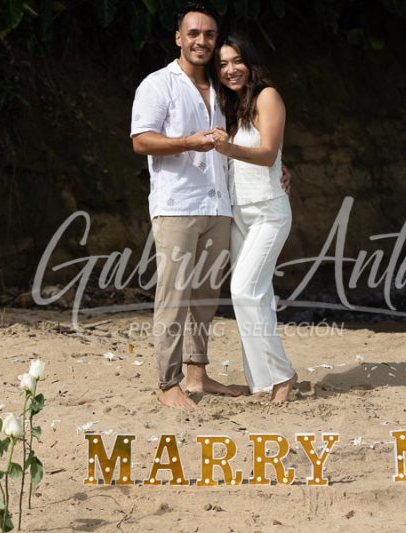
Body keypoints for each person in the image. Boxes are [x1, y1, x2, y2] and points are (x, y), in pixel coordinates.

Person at [130, 3, 241, 409]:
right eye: (193, 33)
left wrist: (278, 167)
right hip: (177, 205)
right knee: (174, 297)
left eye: (209, 34)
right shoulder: (158, 84)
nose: (201, 41)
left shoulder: (222, 88)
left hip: (218, 205)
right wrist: (187, 142)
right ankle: (168, 383)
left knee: (205, 298)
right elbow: (140, 140)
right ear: (179, 37)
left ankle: (197, 374)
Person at [210, 35, 298, 403]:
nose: (230, 69)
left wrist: (226, 147)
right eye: (223, 64)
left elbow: (267, 153)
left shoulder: (267, 96)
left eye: (237, 61)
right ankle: (262, 382)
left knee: (243, 290)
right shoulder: (232, 105)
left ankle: (283, 374)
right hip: (239, 212)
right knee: (256, 297)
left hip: (268, 211)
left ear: (250, 62)